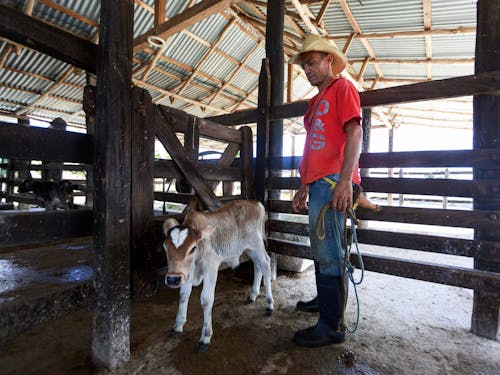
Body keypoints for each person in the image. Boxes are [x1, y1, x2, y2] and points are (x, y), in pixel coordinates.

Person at [289, 34, 363, 347]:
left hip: (335, 182)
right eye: (304, 65)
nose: (308, 69)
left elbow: (355, 131)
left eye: (313, 62)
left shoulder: (343, 88)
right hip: (318, 183)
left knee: (330, 251)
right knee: (323, 249)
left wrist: (346, 181)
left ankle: (331, 327)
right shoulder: (314, 104)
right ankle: (326, 302)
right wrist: (303, 184)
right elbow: (312, 147)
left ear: (328, 61)